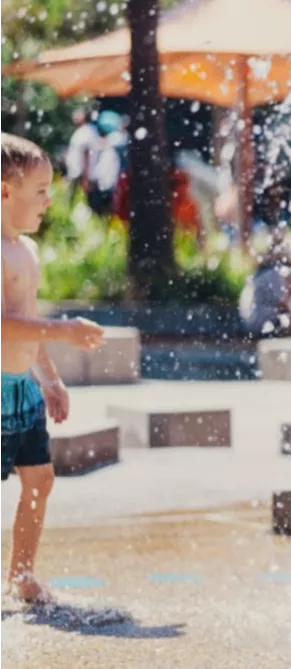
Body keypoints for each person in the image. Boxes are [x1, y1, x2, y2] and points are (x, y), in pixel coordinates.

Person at [0, 134, 106, 602]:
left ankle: (21, 575)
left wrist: (50, 378)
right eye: (39, 190)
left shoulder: (26, 250)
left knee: (40, 479)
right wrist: (64, 332)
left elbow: (29, 324)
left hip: (22, 389)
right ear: (5, 190)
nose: (49, 200)